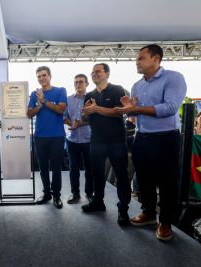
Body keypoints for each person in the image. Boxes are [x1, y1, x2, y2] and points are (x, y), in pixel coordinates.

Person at [117, 44, 187, 241]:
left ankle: (165, 223)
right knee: (144, 180)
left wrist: (136, 108)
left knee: (167, 183)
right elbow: (135, 114)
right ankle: (148, 213)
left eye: (141, 58)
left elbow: (170, 108)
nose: (136, 62)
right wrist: (129, 110)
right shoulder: (137, 85)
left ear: (156, 59)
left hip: (166, 138)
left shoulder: (174, 78)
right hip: (142, 137)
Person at [80, 63, 131, 226]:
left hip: (116, 141)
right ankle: (98, 202)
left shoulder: (118, 89)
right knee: (97, 175)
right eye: (92, 72)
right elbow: (85, 120)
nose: (94, 74)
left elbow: (118, 112)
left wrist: (96, 108)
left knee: (122, 176)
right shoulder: (89, 94)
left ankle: (123, 210)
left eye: (98, 71)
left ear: (107, 74)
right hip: (96, 141)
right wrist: (86, 112)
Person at [27, 66, 67, 209]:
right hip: (40, 137)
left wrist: (44, 101)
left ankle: (56, 195)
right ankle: (46, 194)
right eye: (39, 76)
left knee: (56, 168)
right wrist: (39, 105)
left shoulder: (61, 90)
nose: (41, 78)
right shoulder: (34, 94)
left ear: (50, 75)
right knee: (43, 168)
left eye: (44, 75)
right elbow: (29, 114)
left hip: (57, 136)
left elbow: (61, 110)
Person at [63, 74, 93, 204]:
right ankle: (75, 193)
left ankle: (89, 193)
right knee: (73, 168)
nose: (78, 84)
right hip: (72, 140)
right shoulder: (68, 99)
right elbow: (63, 117)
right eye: (76, 82)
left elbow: (95, 118)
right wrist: (71, 124)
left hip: (89, 139)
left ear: (87, 84)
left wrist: (81, 123)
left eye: (81, 82)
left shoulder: (92, 100)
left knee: (90, 168)